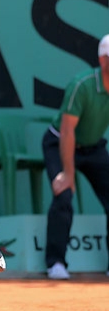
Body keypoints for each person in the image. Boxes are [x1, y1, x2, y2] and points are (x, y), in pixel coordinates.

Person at [42, 35, 109, 280]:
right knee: (64, 194)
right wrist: (68, 174)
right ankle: (56, 263)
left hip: (94, 147)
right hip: (59, 142)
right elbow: (67, 131)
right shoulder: (82, 85)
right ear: (103, 60)